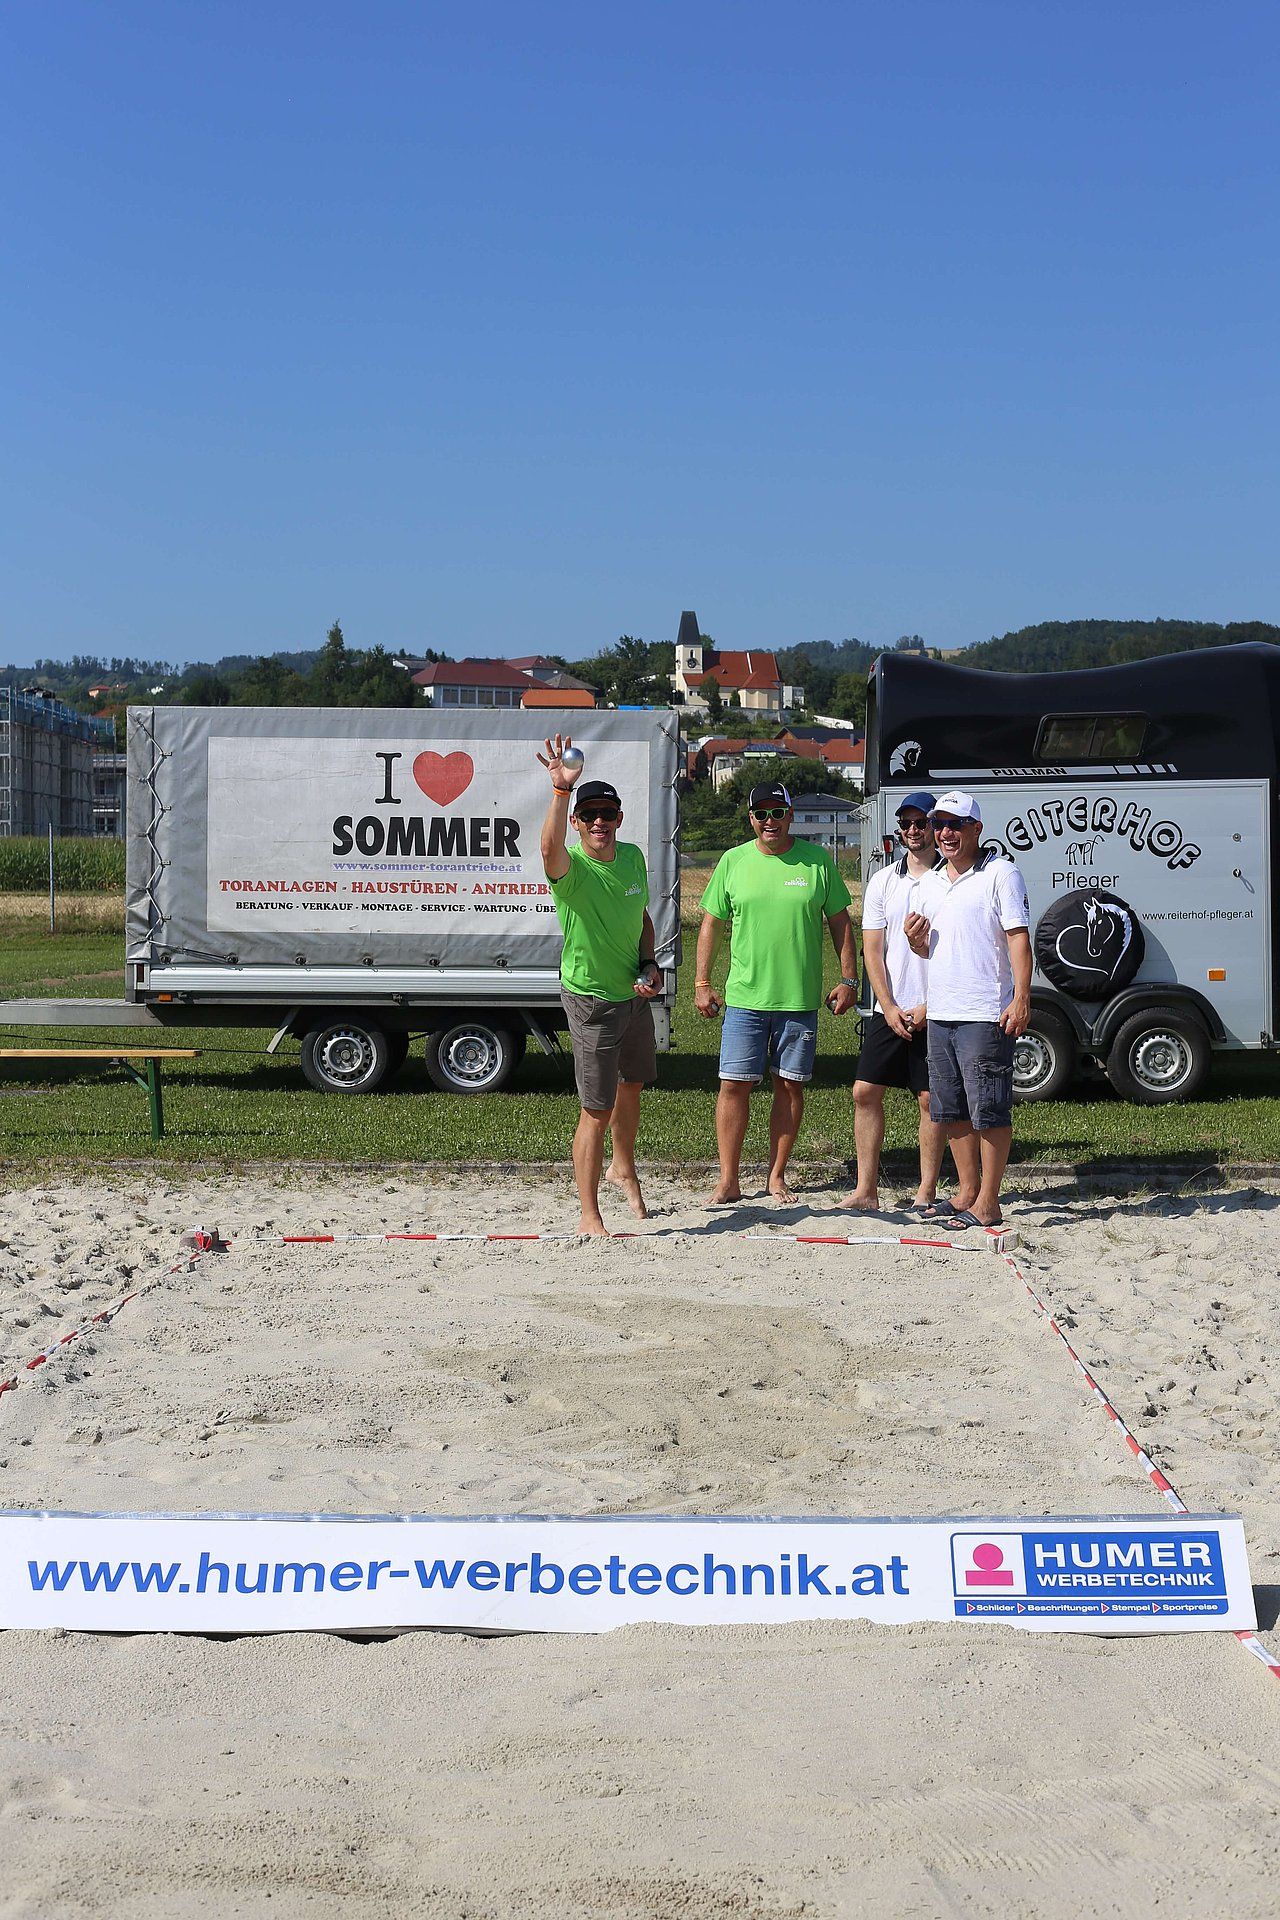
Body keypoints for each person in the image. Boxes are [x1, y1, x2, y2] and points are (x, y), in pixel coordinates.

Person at [696, 781, 858, 1204]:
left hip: (798, 1001)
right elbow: (711, 924)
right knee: (733, 1086)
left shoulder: (817, 861)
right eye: (761, 813)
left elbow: (840, 922)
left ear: (790, 815)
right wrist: (701, 983)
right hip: (745, 1000)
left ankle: (776, 1175)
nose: (770, 821)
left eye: (777, 812)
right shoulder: (732, 861)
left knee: (789, 1087)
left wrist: (849, 979)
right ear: (751, 818)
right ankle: (728, 1179)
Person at [538, 733, 663, 1236]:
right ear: (577, 822)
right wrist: (560, 791)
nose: (598, 822)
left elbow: (642, 920)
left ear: (619, 819)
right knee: (596, 1109)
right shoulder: (573, 869)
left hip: (632, 996)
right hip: (591, 1001)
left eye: (606, 814)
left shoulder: (631, 858)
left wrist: (649, 964)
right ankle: (589, 1214)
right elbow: (548, 850)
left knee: (631, 1085)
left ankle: (622, 1167)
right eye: (589, 815)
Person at [841, 792, 979, 1216]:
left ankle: (926, 1190)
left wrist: (926, 1006)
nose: (914, 830)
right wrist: (887, 1005)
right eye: (907, 823)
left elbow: (962, 950)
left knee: (929, 1099)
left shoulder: (952, 879)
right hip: (890, 1007)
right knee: (864, 1091)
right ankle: (866, 1189)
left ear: (935, 828)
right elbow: (872, 950)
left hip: (937, 1009)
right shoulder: (884, 880)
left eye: (923, 822)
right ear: (899, 830)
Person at [903, 790, 1031, 1229]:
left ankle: (989, 1203)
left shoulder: (1001, 873)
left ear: (976, 828)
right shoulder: (930, 883)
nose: (945, 833)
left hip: (984, 1011)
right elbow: (929, 949)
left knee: (989, 1109)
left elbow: (1018, 938)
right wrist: (916, 943)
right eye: (939, 824)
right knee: (951, 1109)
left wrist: (1021, 996)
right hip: (941, 1012)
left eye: (955, 824)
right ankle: (967, 1193)